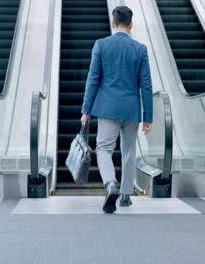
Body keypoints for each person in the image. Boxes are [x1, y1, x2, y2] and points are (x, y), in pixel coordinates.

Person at [80, 6, 153, 213]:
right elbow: (146, 84)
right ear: (131, 25)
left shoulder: (101, 45)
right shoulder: (140, 49)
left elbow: (93, 79)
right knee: (129, 151)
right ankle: (125, 195)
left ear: (113, 23)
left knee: (104, 149)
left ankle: (110, 183)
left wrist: (86, 110)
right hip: (131, 109)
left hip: (107, 108)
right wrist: (148, 116)